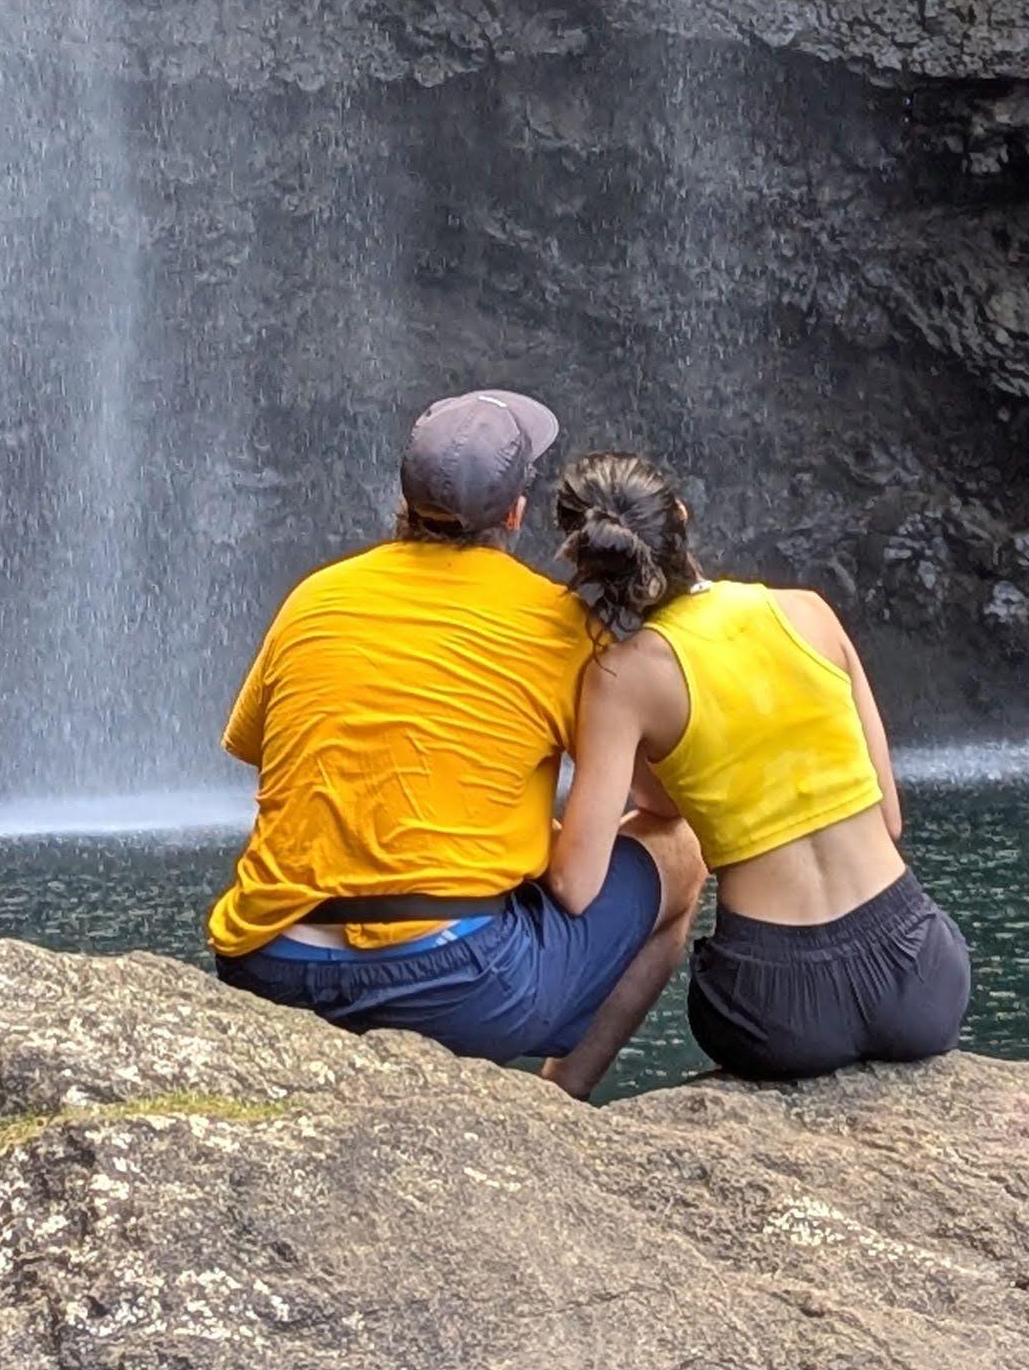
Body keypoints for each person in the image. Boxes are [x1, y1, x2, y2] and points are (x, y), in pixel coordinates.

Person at [208, 389, 708, 1094]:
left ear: (404, 502)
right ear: (515, 514)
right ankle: (554, 1106)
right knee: (679, 851)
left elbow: (267, 748)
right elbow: (656, 797)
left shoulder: (313, 598)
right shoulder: (559, 622)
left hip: (270, 963)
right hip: (457, 986)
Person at [538, 448, 972, 1084]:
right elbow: (890, 819)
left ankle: (561, 1092)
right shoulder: (808, 612)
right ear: (681, 516)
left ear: (585, 561)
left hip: (777, 1009)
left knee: (674, 856)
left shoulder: (620, 678)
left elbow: (577, 885)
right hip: (921, 981)